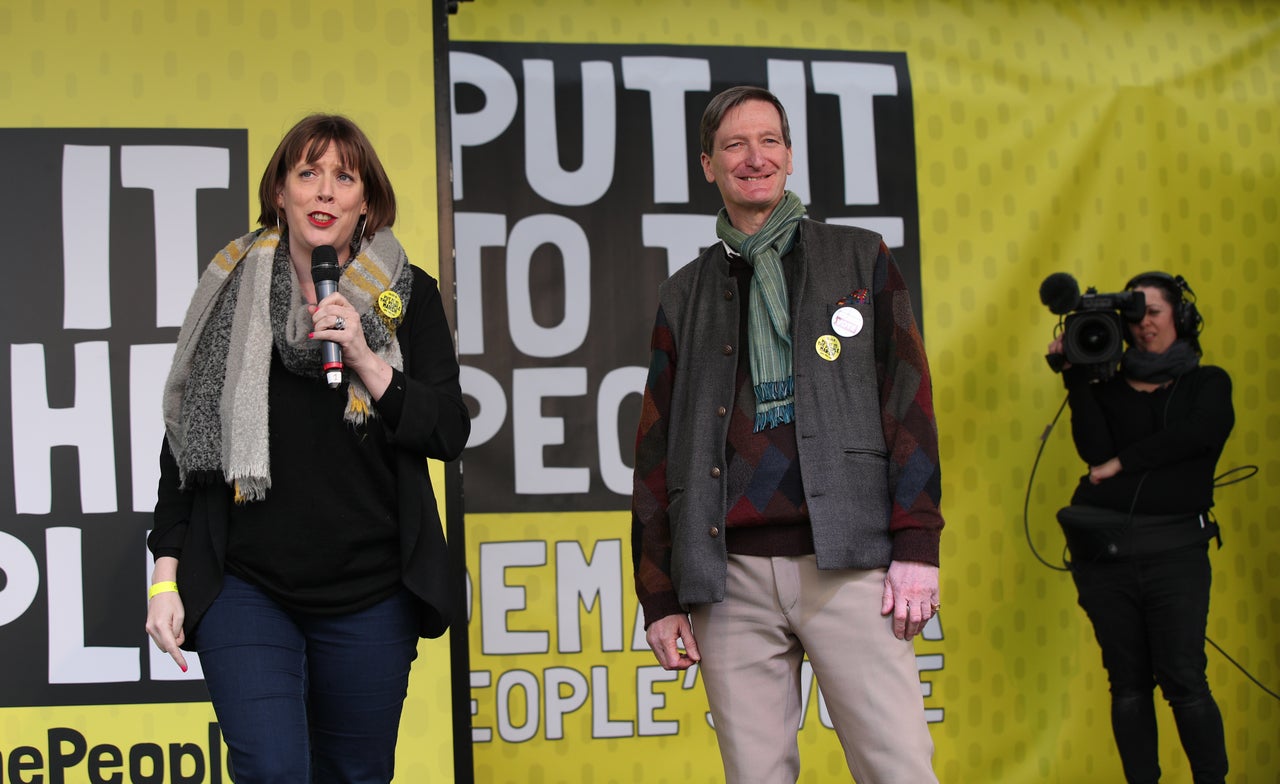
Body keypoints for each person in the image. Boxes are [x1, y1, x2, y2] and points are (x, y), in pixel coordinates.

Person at [144, 113, 470, 783]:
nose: (324, 192)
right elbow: (186, 446)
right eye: (308, 174)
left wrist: (363, 356)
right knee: (271, 769)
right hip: (248, 584)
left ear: (367, 201)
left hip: (372, 589)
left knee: (355, 773)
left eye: (343, 177)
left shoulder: (405, 296)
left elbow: (447, 431)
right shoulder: (230, 294)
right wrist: (165, 577)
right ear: (280, 193)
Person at [631, 85, 943, 782]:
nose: (754, 157)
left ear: (790, 156)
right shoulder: (682, 294)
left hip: (850, 561)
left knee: (900, 771)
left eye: (769, 140)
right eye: (734, 144)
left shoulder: (859, 257)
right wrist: (658, 594)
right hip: (728, 577)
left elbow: (909, 400)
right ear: (708, 164)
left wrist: (918, 542)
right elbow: (655, 449)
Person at [1049, 272, 1231, 783]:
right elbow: (1093, 452)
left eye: (1154, 311)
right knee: (1128, 684)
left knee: (1184, 679)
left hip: (1177, 555)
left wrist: (1121, 467)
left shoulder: (1207, 383)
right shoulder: (1106, 388)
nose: (1144, 323)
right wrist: (1075, 376)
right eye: (1135, 314)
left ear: (1181, 316)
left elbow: (1200, 435)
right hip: (1107, 559)